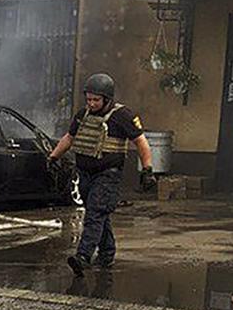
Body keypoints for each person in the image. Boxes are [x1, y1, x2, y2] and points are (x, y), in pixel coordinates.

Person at [48, 73, 155, 276]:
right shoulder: (82, 115)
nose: (92, 103)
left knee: (95, 213)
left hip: (108, 175)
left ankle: (83, 257)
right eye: (88, 99)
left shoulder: (123, 116)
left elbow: (141, 141)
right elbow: (70, 138)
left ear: (107, 98)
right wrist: (53, 157)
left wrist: (148, 170)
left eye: (96, 100)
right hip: (86, 174)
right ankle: (106, 254)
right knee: (100, 214)